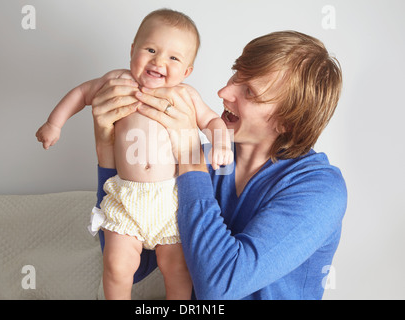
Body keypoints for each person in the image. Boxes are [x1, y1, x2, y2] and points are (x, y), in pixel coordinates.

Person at [91, 30, 347, 300]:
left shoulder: (320, 190)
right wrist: (106, 149)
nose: (223, 92)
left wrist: (189, 152)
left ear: (286, 123)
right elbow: (136, 266)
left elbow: (220, 287)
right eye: (237, 74)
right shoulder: (204, 162)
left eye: (249, 91)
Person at [35, 9, 232, 300]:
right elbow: (80, 93)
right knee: (116, 265)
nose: (158, 61)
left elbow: (213, 121)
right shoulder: (117, 82)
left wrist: (221, 144)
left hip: (171, 199)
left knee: (177, 269)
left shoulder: (185, 95)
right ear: (132, 50)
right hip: (125, 196)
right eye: (150, 49)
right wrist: (54, 123)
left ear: (187, 71)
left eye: (173, 58)